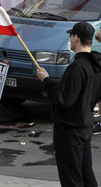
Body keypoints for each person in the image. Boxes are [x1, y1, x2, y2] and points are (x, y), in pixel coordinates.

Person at [37, 22, 99, 187]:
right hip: (85, 126)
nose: (70, 40)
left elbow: (64, 99)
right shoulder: (95, 66)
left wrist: (47, 81)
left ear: (76, 38)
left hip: (69, 130)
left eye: (71, 36)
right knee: (86, 175)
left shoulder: (77, 67)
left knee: (71, 177)